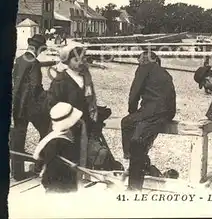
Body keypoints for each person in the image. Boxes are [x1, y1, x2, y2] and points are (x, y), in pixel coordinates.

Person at [46, 44, 121, 173]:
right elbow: (52, 104)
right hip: (67, 126)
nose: (80, 62)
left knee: (88, 151)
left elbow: (90, 99)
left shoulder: (86, 78)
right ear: (67, 62)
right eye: (76, 60)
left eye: (82, 59)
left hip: (86, 123)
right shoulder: (61, 80)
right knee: (68, 156)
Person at [121, 51, 176, 190]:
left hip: (151, 111)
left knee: (128, 127)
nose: (139, 64)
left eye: (139, 61)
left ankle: (133, 182)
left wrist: (132, 111)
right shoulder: (165, 73)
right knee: (139, 138)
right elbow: (171, 97)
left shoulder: (144, 68)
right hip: (167, 113)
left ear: (144, 60)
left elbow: (134, 92)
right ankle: (140, 162)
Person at [10, 34, 51, 180]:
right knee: (47, 131)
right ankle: (41, 165)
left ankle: (17, 173)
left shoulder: (19, 60)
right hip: (30, 107)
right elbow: (36, 88)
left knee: (17, 139)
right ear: (39, 49)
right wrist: (48, 96)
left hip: (16, 105)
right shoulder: (34, 63)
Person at [33, 102, 81, 193]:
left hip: (50, 182)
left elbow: (40, 161)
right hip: (61, 185)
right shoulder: (63, 143)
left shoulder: (50, 138)